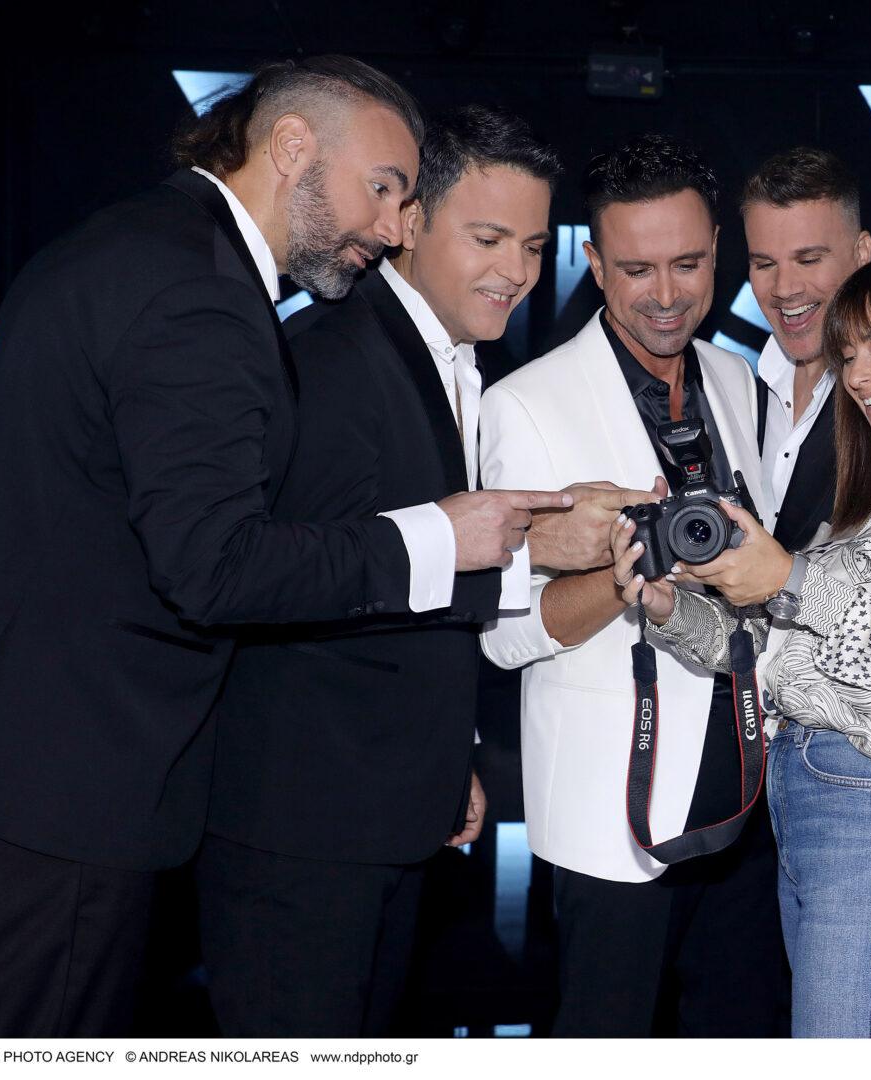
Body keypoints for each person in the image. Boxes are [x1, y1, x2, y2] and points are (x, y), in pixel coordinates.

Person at [0, 58, 572, 1037]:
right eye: (382, 188)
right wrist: (441, 536)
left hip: (40, 765)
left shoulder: (143, 246)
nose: (390, 226)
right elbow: (215, 567)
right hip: (75, 782)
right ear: (291, 148)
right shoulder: (197, 292)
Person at [195, 105, 642, 1036]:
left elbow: (400, 581)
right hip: (302, 828)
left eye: (532, 245)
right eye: (487, 238)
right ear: (408, 223)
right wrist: (534, 547)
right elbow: (293, 578)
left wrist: (447, 757)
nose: (516, 270)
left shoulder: (440, 358)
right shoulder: (333, 355)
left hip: (385, 811)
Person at [614, 250, 871, 1038]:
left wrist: (789, 576)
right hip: (823, 801)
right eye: (846, 355)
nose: (858, 374)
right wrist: (668, 607)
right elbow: (774, 654)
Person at [478, 134, 788, 1036]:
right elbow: (502, 635)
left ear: (717, 250)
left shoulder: (739, 381)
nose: (665, 294)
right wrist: (615, 582)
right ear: (593, 261)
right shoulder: (525, 404)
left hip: (751, 795)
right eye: (637, 269)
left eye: (687, 264)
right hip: (614, 812)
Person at [741, 147, 871, 550]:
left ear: (861, 255)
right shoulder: (733, 388)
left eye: (809, 260)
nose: (784, 288)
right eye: (765, 265)